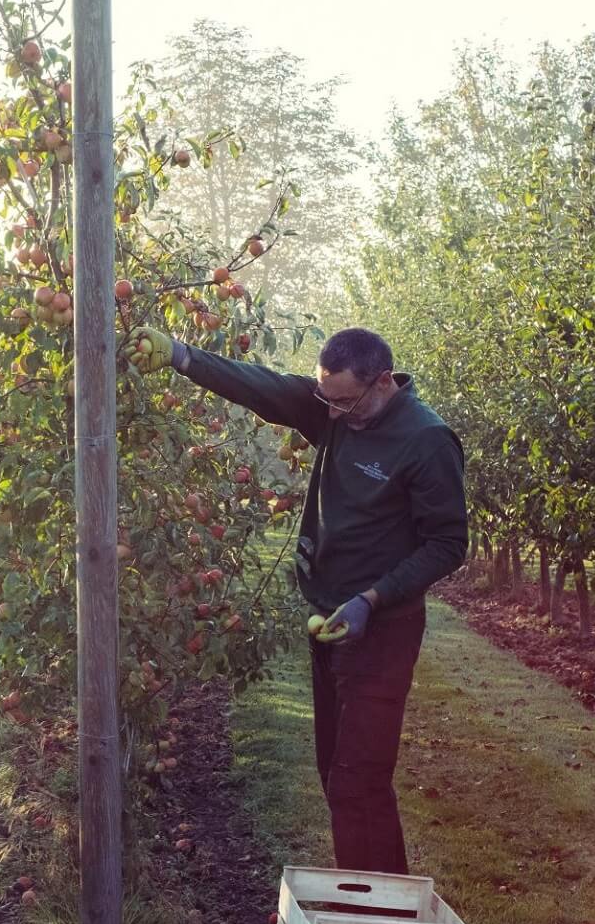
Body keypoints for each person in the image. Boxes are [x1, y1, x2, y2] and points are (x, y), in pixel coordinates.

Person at [132, 325, 467, 876]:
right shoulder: (334, 411)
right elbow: (262, 386)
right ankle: (368, 906)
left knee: (359, 779)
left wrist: (372, 598)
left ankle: (379, 917)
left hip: (383, 632)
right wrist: (183, 357)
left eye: (344, 400)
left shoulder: (426, 441)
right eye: (325, 399)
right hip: (330, 624)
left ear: (383, 381)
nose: (331, 415)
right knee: (334, 773)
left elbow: (448, 544)